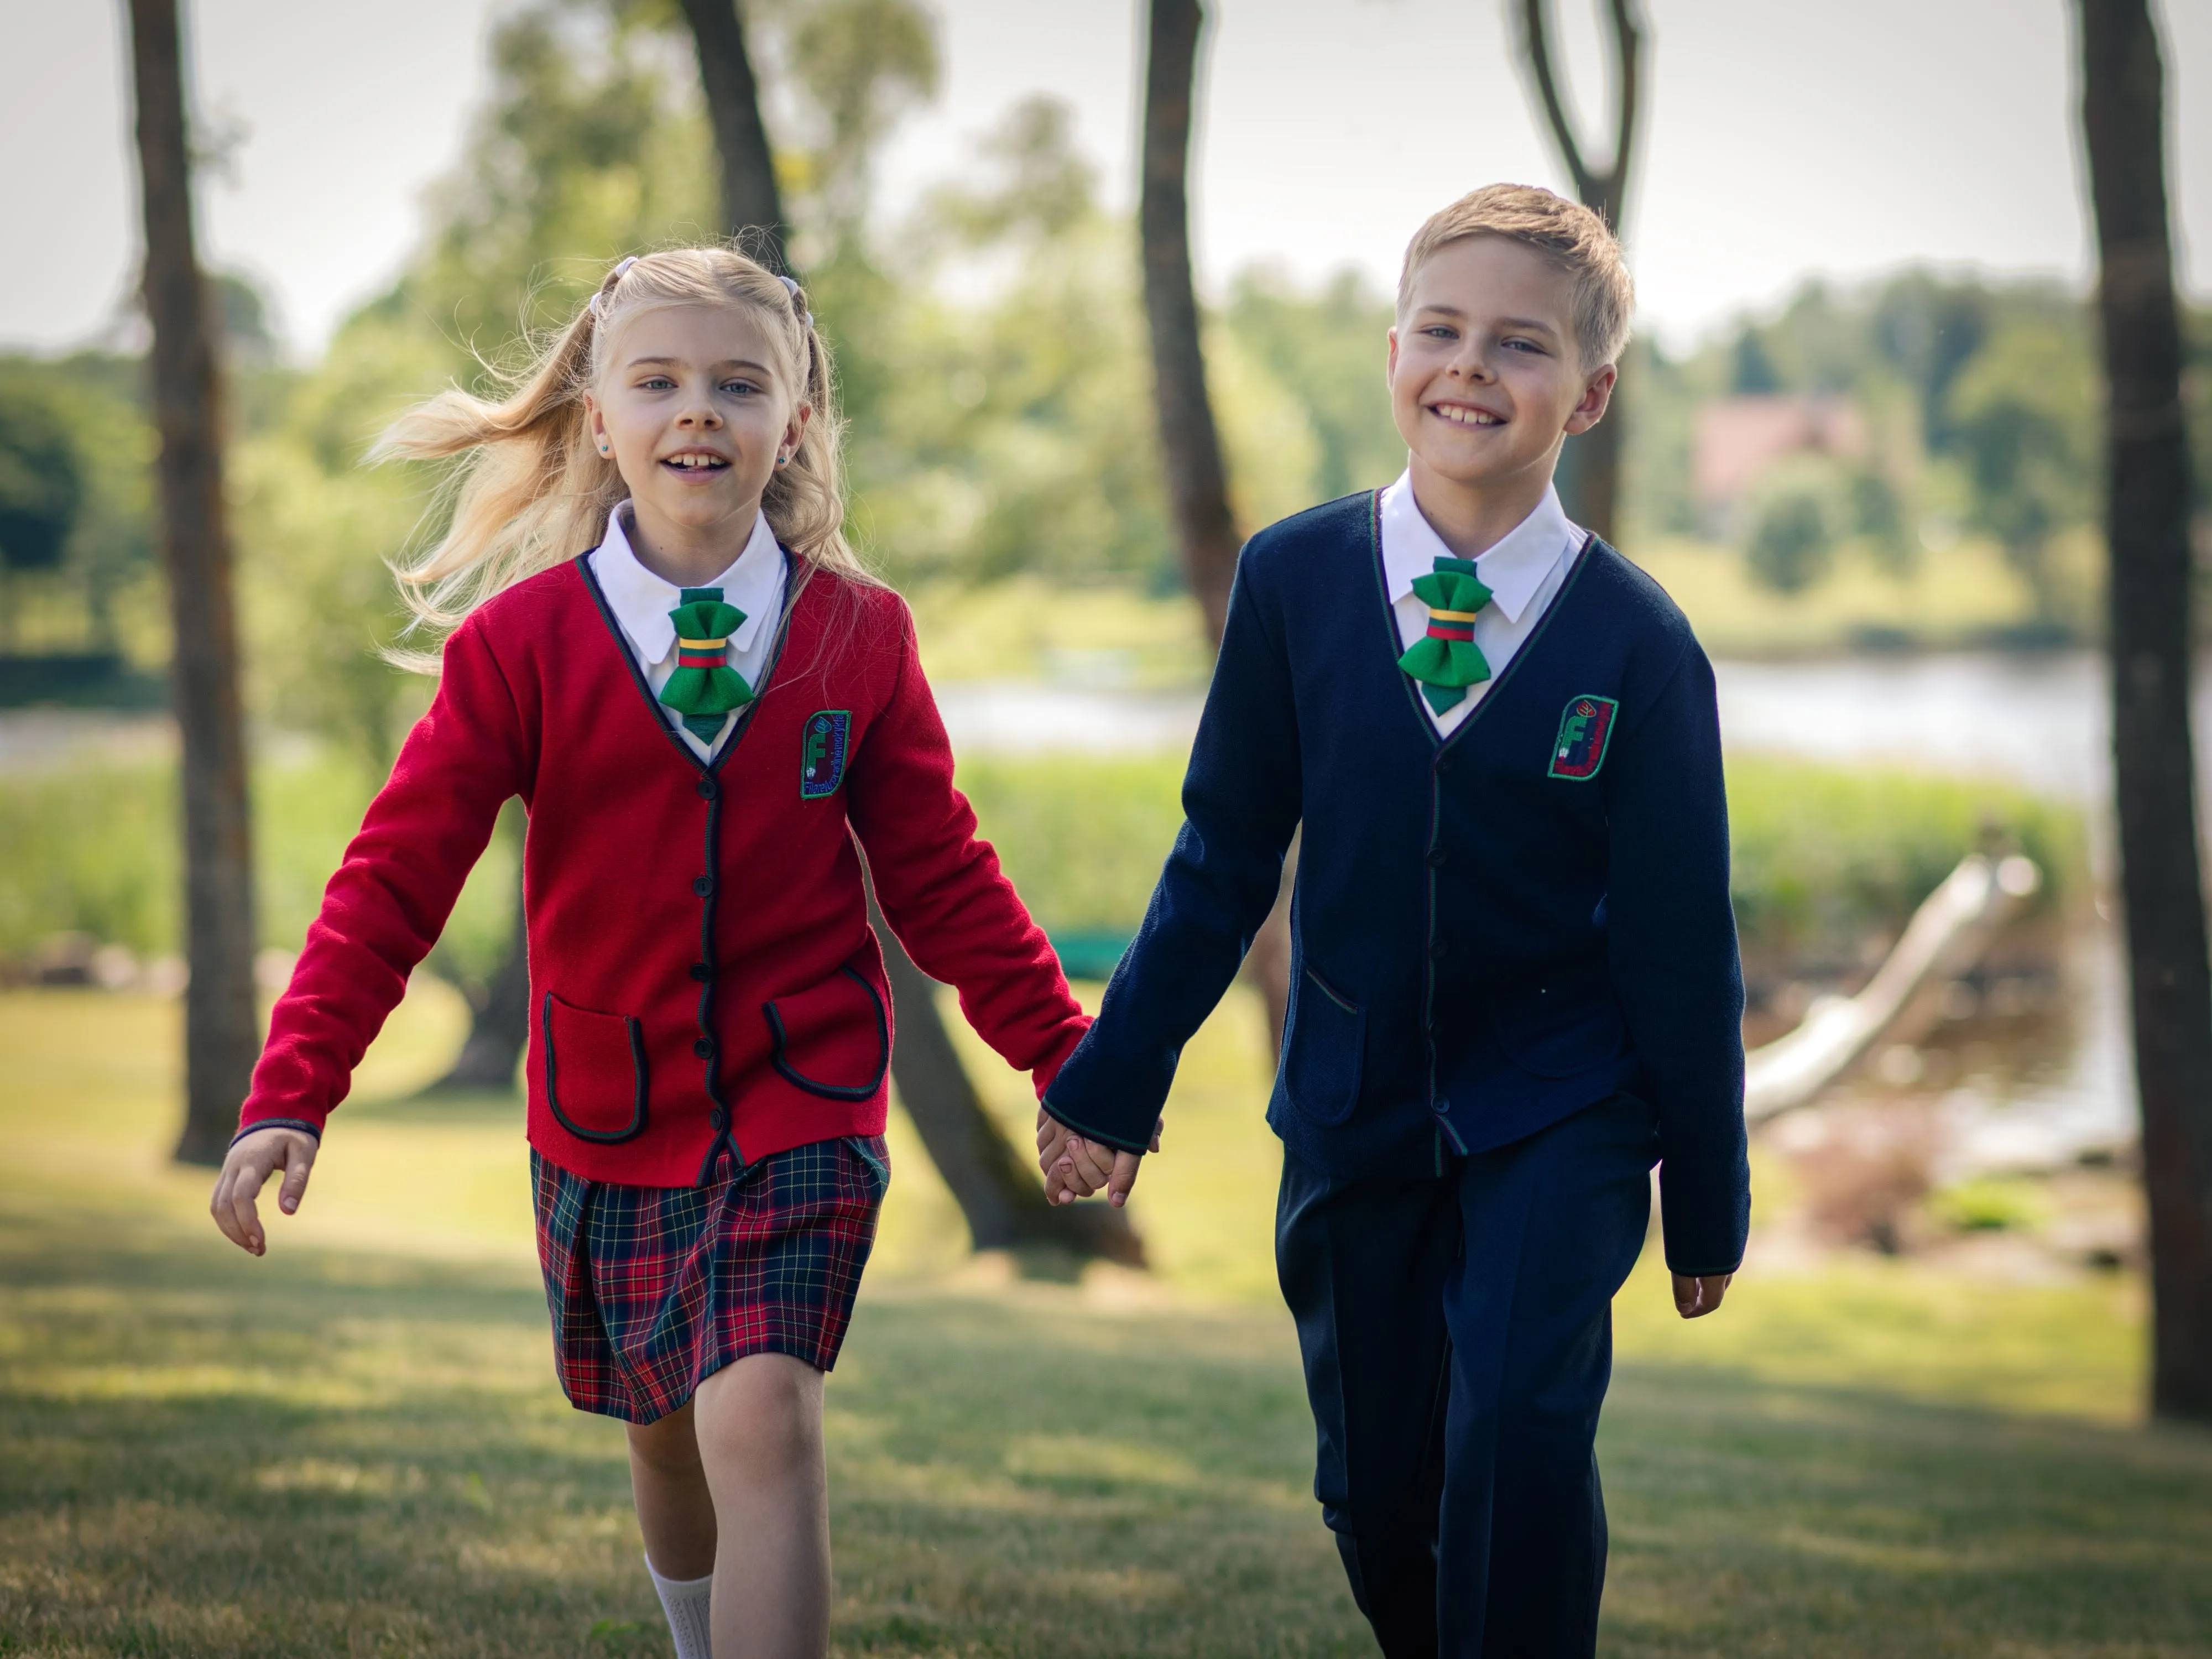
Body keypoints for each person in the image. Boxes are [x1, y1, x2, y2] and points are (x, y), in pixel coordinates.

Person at [207, 247, 1091, 1659]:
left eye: (740, 384)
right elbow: (392, 884)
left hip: (802, 1099)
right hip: (604, 1117)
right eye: (660, 382)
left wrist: (1066, 1057)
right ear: (599, 418)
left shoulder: (861, 638)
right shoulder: (519, 649)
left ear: (793, 421)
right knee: (669, 1440)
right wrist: (289, 1090)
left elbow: (940, 876)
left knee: (765, 1413)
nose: (700, 410)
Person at [1036, 185, 1749, 1657]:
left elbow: (1682, 945)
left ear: (1592, 392)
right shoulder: (1294, 580)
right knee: (1377, 1493)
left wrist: (1710, 1189)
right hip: (1352, 1101)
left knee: (1518, 1440)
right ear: (1392, 354)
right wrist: (1114, 1078)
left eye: (1522, 346)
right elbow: (1225, 855)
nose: (1472, 369)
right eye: (1443, 331)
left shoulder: (1643, 644)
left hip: (1568, 1105)